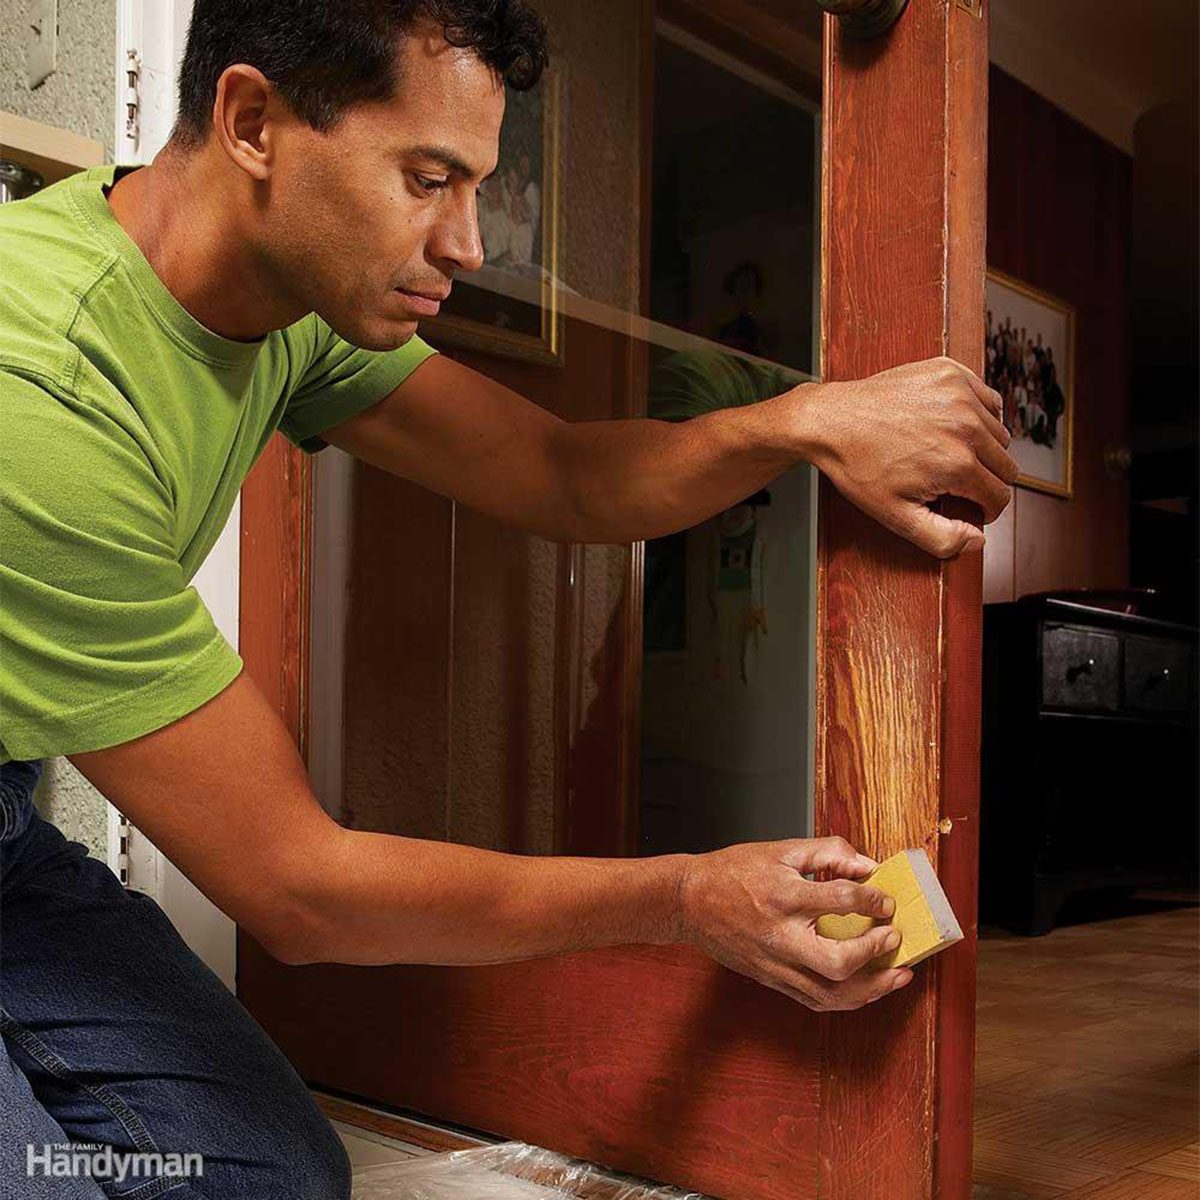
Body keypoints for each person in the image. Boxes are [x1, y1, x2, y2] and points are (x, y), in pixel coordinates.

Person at [0, 2, 1019, 1195]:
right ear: (251, 122)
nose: (470, 243)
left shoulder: (277, 305)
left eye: (474, 183)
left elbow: (557, 475)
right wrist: (687, 897)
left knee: (259, 1176)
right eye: (429, 178)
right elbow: (300, 890)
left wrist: (802, 426)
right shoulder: (42, 398)